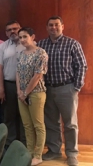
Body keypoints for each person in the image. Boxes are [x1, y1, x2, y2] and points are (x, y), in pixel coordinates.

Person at [38, 16, 87, 166]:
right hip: (47, 89)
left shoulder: (72, 43)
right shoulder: (41, 44)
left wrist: (76, 87)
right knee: (51, 122)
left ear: (62, 26)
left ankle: (72, 153)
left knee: (70, 124)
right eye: (50, 25)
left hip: (67, 88)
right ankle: (54, 150)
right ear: (46, 28)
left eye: (56, 25)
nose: (54, 28)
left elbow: (82, 66)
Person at [16, 27, 48, 166]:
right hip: (21, 94)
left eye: (25, 37)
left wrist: (25, 92)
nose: (22, 40)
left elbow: (38, 75)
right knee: (27, 125)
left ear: (33, 36)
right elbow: (17, 73)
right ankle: (29, 152)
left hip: (36, 93)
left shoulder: (41, 53)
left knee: (38, 125)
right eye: (20, 37)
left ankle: (38, 155)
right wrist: (19, 91)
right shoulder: (21, 54)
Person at [0, 20, 26, 147]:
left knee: (25, 116)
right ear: (6, 33)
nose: (13, 31)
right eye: (9, 30)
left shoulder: (30, 44)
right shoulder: (2, 47)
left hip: (27, 86)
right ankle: (9, 144)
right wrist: (1, 89)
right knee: (9, 116)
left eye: (15, 28)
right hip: (9, 85)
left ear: (20, 29)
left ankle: (25, 144)